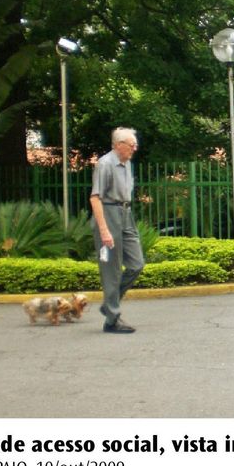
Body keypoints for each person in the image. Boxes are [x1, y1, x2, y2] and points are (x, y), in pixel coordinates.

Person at [90, 127, 145, 333]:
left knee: (137, 264)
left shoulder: (127, 163)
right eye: (131, 145)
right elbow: (95, 198)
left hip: (125, 214)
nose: (135, 148)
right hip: (108, 214)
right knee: (111, 270)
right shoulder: (105, 164)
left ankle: (108, 305)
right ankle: (112, 318)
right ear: (118, 145)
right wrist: (104, 230)